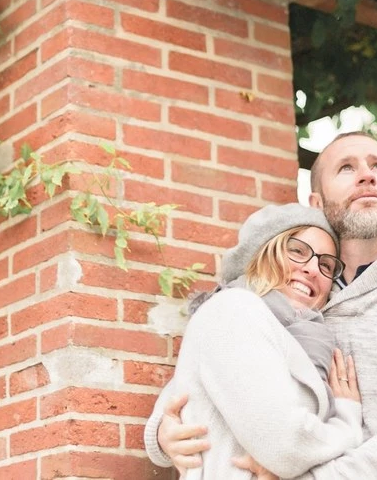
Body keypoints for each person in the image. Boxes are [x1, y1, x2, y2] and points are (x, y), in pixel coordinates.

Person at [146, 132, 377, 479]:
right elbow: (208, 376)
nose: (366, 175)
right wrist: (163, 433)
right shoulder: (290, 302)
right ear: (316, 203)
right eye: (345, 168)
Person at [148, 203, 364, 479]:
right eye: (297, 251)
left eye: (325, 264)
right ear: (262, 253)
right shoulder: (234, 309)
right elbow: (286, 446)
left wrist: (159, 435)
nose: (312, 269)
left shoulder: (301, 339)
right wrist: (347, 419)